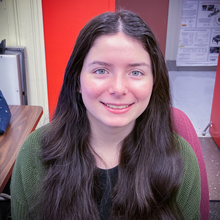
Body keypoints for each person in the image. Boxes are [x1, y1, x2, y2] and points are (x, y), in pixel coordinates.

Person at [11, 10, 201, 220]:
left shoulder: (182, 159)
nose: (118, 89)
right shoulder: (34, 155)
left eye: (136, 72)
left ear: (154, 83)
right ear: (77, 82)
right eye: (101, 70)